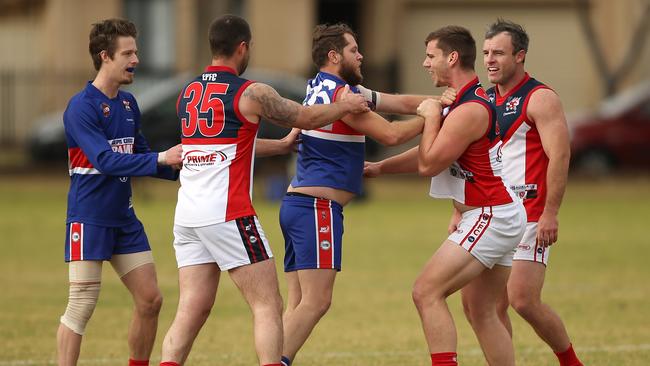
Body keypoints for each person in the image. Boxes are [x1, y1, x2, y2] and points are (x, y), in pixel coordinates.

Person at [158, 15, 369, 366]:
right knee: (268, 305)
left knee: (190, 310)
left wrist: (282, 146)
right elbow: (304, 116)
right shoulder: (251, 92)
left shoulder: (188, 92)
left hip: (188, 217)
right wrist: (345, 106)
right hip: (228, 213)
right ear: (243, 47)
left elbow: (222, 148)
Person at [278, 23, 456, 366]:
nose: (361, 55)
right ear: (334, 56)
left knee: (299, 304)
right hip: (317, 208)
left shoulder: (322, 86)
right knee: (316, 303)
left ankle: (274, 359)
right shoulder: (343, 98)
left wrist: (443, 101)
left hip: (296, 206)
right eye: (353, 50)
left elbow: (399, 101)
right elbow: (390, 135)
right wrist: (432, 116)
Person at [363, 26, 526, 366]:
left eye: (431, 56)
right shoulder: (461, 102)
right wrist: (380, 169)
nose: (425, 64)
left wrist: (432, 115)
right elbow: (435, 152)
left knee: (426, 291)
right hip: (496, 212)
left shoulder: (468, 109)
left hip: (491, 214)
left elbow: (428, 162)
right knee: (480, 310)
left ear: (452, 58)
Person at [58, 18, 183, 366]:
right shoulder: (81, 107)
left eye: (136, 52)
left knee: (150, 300)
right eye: (128, 53)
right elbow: (105, 160)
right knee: (81, 303)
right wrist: (161, 157)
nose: (136, 60)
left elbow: (141, 157)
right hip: (90, 217)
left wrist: (187, 165)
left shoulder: (128, 105)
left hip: (123, 219)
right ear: (105, 57)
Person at [460, 19, 582, 366]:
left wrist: (551, 213)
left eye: (498, 52)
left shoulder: (540, 98)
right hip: (492, 212)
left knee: (523, 299)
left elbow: (560, 155)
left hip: (530, 213)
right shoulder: (482, 99)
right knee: (485, 305)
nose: (489, 60)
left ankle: (571, 361)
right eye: (485, 53)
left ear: (521, 55)